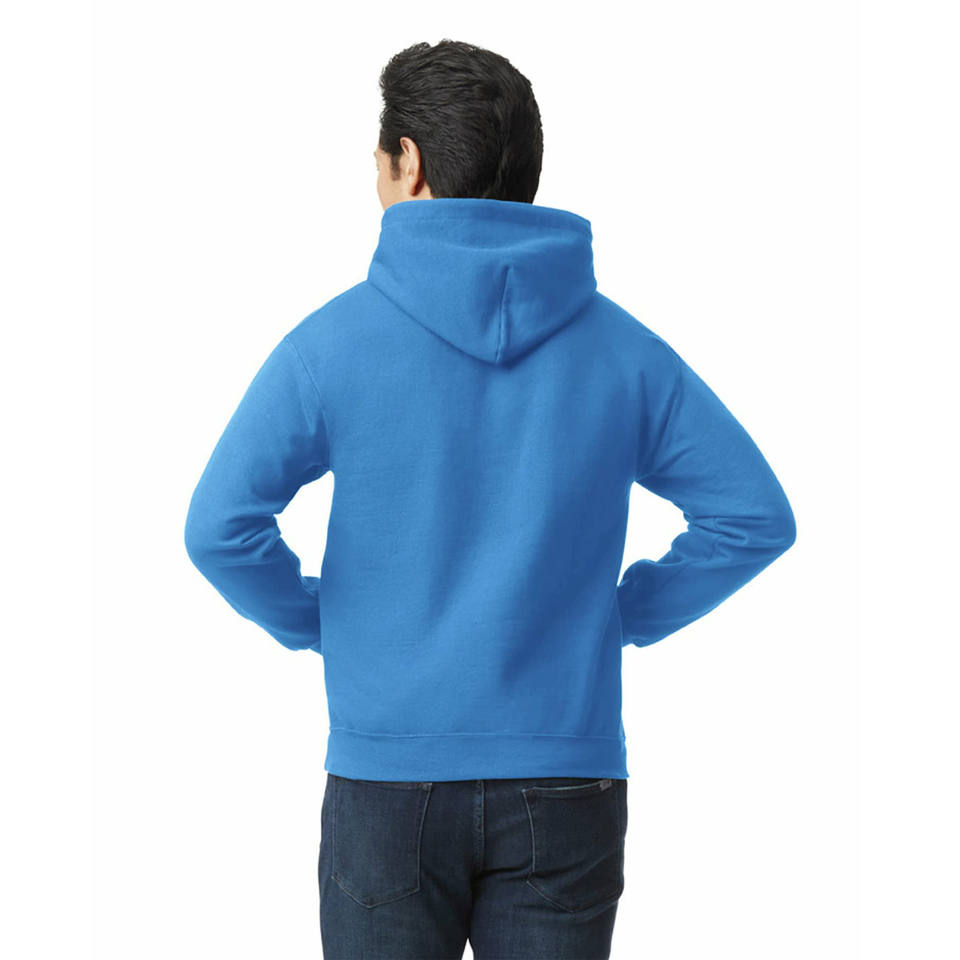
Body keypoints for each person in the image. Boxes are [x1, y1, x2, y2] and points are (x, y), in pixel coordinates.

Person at [184, 38, 796, 960]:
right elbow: (752, 518)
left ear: (409, 163)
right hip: (567, 772)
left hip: (388, 775)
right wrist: (620, 615)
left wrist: (323, 621)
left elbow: (220, 530)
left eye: (377, 159)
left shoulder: (331, 345)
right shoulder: (625, 352)